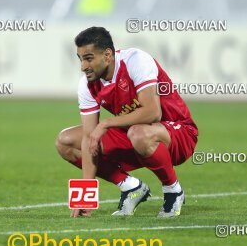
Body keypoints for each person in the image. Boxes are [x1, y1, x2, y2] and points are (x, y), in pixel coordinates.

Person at [56, 26, 198, 218]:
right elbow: (90, 138)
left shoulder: (135, 61)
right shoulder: (87, 85)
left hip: (178, 133)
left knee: (138, 133)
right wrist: (85, 198)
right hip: (134, 136)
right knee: (65, 142)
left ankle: (173, 191)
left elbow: (153, 112)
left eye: (89, 58)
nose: (83, 66)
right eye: (80, 59)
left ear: (107, 55)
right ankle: (131, 187)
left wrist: (106, 123)